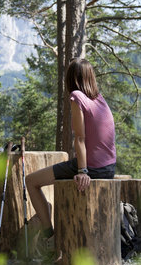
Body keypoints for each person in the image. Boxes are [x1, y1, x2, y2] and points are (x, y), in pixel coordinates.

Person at [25, 58, 116, 237]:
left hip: (91, 168)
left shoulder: (77, 97)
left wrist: (83, 171)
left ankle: (48, 235)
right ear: (91, 77)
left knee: (31, 181)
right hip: (108, 167)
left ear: (71, 79)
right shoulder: (99, 98)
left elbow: (80, 138)